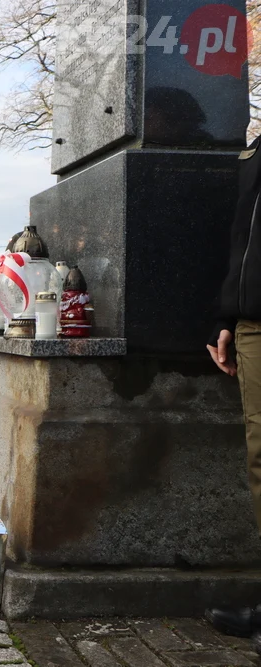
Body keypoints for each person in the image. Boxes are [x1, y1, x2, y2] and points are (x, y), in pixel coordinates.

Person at [207, 136, 261, 645]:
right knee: (260, 458)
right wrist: (229, 315)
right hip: (252, 324)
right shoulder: (255, 151)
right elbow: (244, 238)